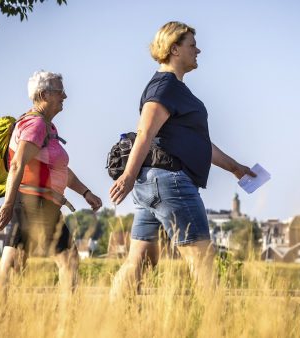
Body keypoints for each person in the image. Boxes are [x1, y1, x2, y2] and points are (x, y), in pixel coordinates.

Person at [109, 21, 256, 296]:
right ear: (174, 49)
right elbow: (144, 133)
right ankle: (215, 324)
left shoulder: (172, 88)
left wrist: (235, 168)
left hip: (153, 185)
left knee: (139, 260)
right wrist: (127, 176)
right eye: (192, 45)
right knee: (202, 260)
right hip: (170, 184)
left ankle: (114, 321)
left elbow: (198, 145)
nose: (198, 50)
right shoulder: (164, 87)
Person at [0, 70, 102, 299]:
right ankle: (65, 319)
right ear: (43, 95)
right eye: (60, 91)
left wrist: (86, 192)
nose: (65, 96)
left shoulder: (47, 127)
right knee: (65, 261)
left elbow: (59, 171)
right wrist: (8, 205)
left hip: (39, 202)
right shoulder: (36, 125)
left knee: (16, 264)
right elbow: (17, 164)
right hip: (34, 203)